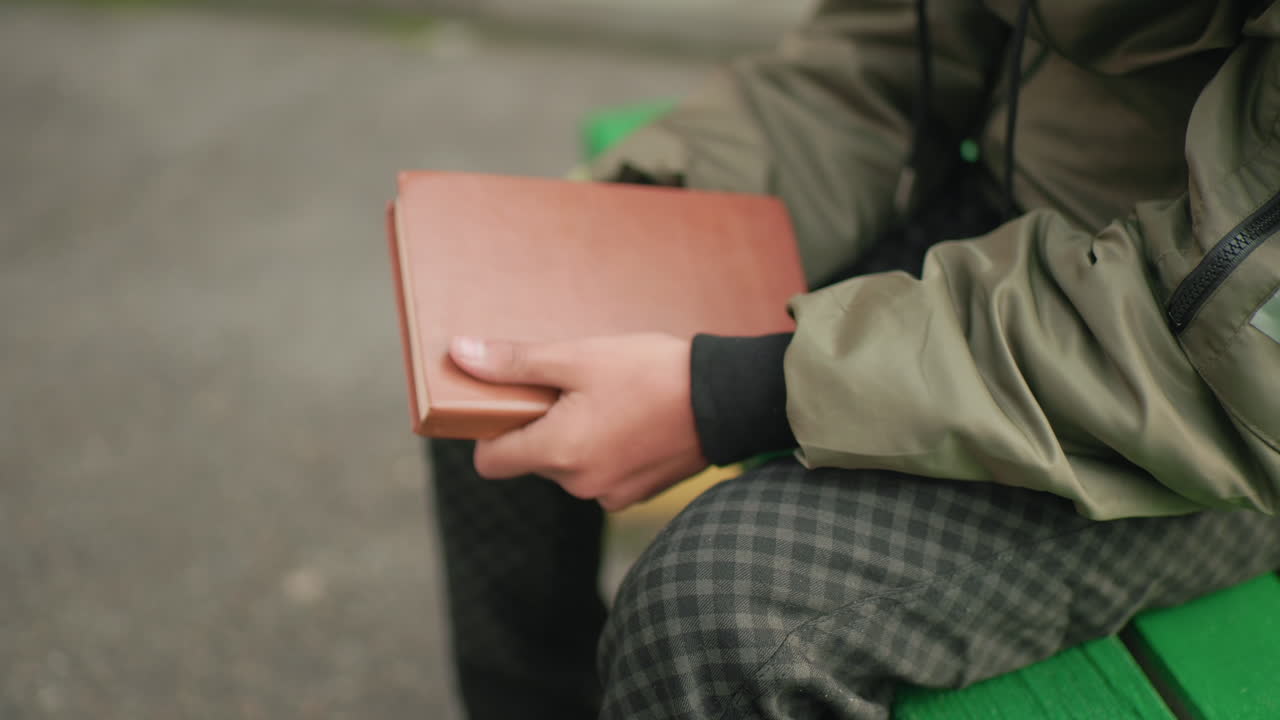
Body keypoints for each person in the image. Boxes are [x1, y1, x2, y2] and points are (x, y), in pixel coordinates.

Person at [430, 1, 1280, 718]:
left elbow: (1222, 334)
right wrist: (653, 214)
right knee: (506, 344)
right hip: (1007, 229)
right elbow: (881, 65)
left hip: (1215, 394)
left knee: (722, 615)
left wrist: (739, 390)